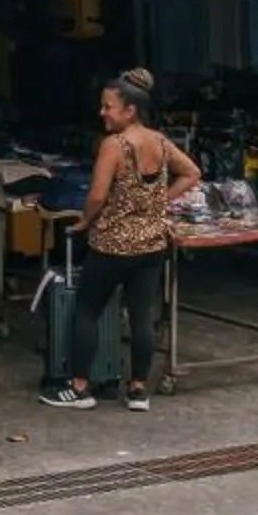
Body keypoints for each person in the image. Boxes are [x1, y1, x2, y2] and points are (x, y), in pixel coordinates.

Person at [42, 68, 198, 412]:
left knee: (88, 310)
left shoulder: (114, 145)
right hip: (151, 245)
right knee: (141, 316)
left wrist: (85, 221)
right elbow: (192, 173)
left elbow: (97, 195)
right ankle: (138, 390)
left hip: (112, 245)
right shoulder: (160, 142)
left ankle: (80, 388)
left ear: (130, 110)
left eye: (108, 107)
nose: (102, 113)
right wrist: (159, 201)